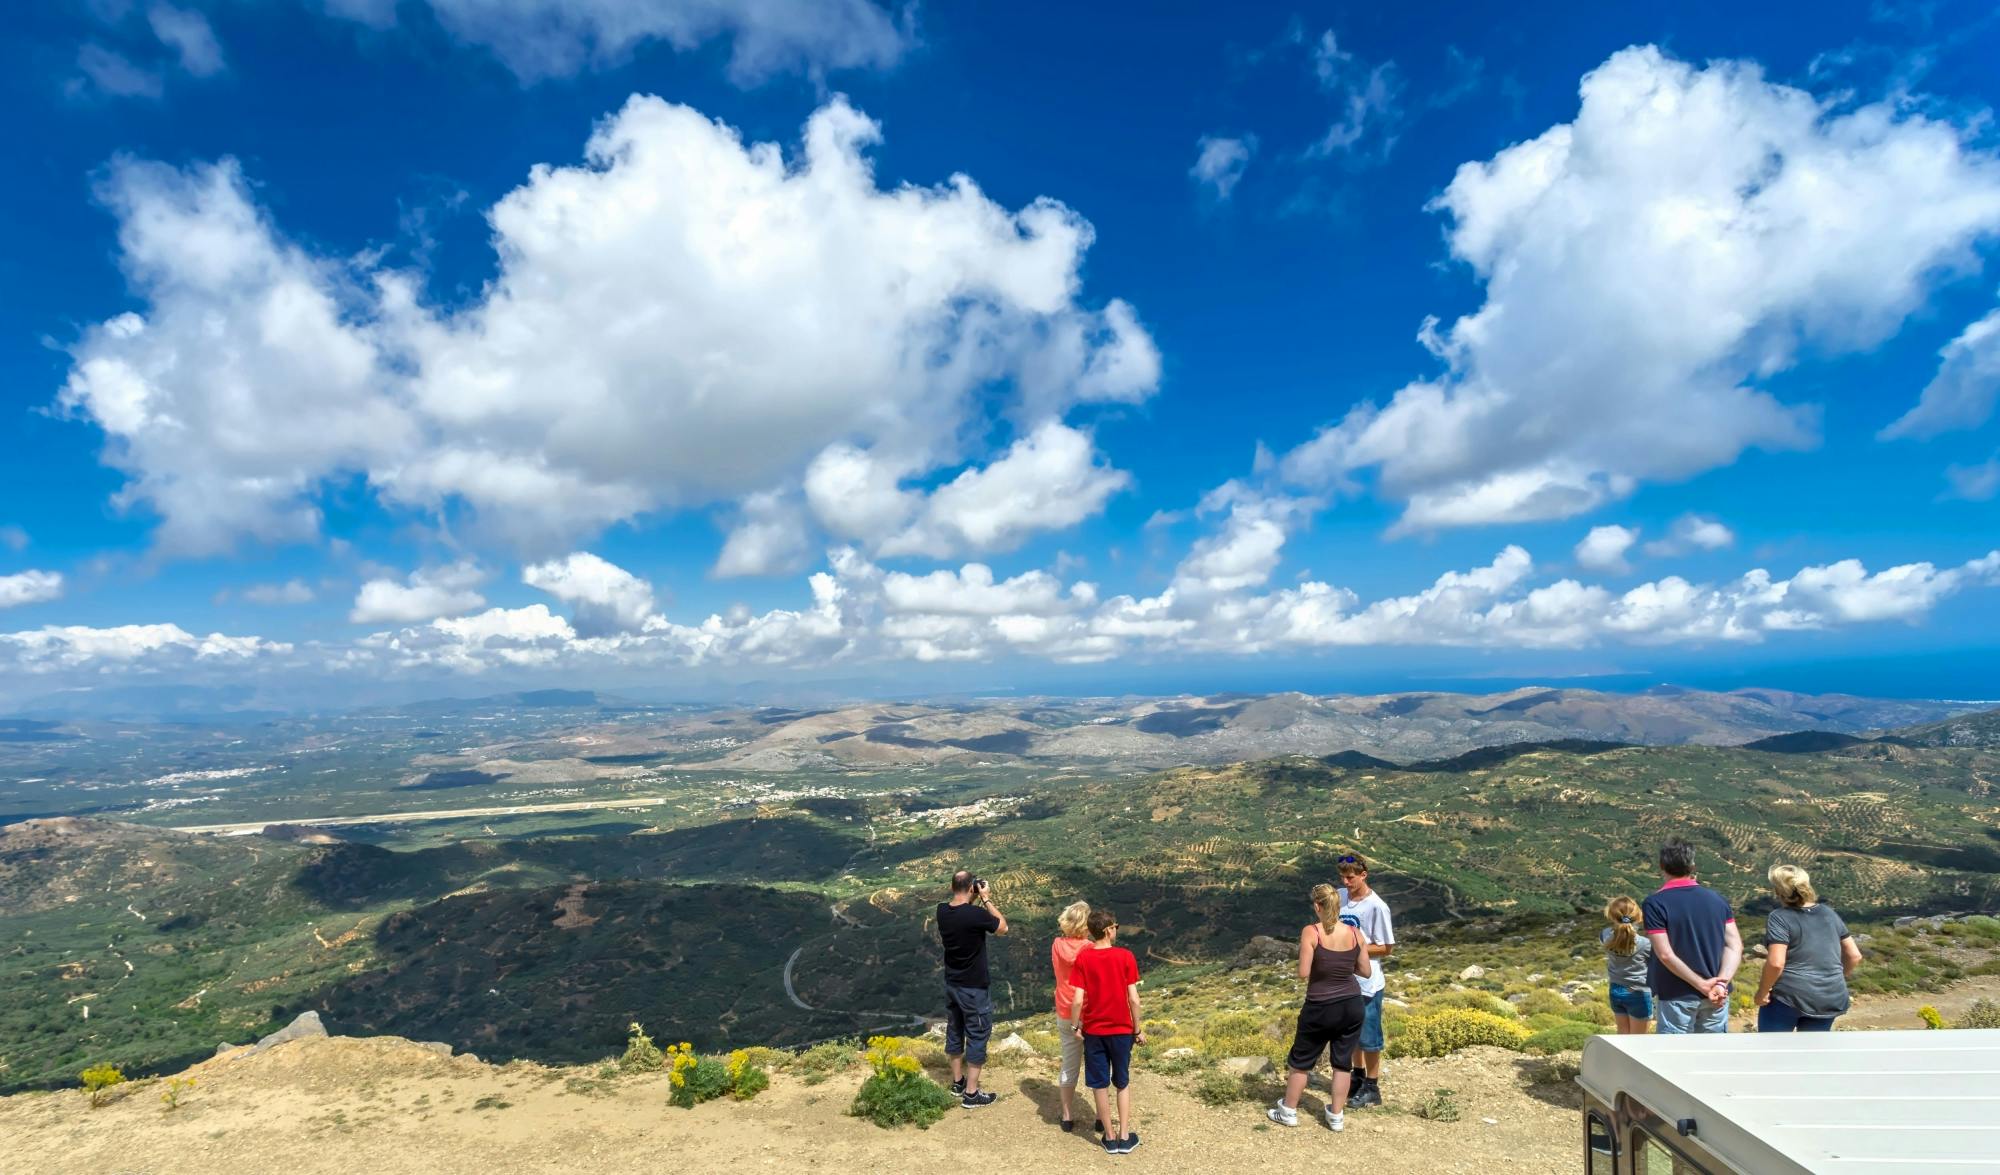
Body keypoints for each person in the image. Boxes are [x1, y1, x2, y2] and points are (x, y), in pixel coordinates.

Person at [1267, 882, 1371, 1133]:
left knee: (1301, 1061)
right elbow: (1366, 971)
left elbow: (1303, 973)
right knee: (1342, 1063)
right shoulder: (1356, 934)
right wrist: (1344, 966)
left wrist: (1321, 964)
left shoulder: (1311, 932)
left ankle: (1288, 1111)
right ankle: (1336, 1116)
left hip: (1320, 1006)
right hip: (1352, 1005)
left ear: (1317, 906)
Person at [1642, 839, 1741, 1035]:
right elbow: (1734, 945)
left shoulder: (1654, 904)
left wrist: (1702, 985)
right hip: (1717, 995)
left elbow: (1665, 955)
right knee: (1713, 1056)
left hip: (1676, 993)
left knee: (1675, 1057)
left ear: (1662, 866)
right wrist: (1721, 982)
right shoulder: (1718, 900)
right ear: (1692, 866)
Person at [1068, 907, 1145, 1155]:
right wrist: (1138, 1029)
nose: (1116, 931)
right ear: (1109, 930)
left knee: (1099, 1083)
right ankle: (1124, 1135)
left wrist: (1075, 1025)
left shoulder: (1084, 958)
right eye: (1116, 927)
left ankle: (1109, 1139)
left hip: (1094, 1031)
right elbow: (1134, 1000)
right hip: (1122, 1030)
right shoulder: (1125, 956)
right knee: (1122, 1082)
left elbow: (1077, 1000)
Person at [1755, 864, 1862, 1033]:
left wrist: (1762, 993)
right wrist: (1833, 978)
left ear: (1778, 890)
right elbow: (1855, 956)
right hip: (1828, 997)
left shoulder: (1779, 917)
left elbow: (1776, 963)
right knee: (1813, 1054)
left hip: (1789, 997)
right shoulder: (1828, 913)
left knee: (1773, 1052)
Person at [937, 869, 1008, 1107]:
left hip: (952, 984)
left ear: (952, 887)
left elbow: (961, 909)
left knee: (955, 1030)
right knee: (978, 1035)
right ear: (972, 888)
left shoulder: (942, 911)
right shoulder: (976, 914)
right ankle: (971, 1093)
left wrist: (971, 897)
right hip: (973, 988)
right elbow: (1002, 927)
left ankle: (957, 1082)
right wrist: (986, 897)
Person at [1335, 853, 1394, 1108]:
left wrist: (1353, 947)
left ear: (1363, 875)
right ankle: (1357, 1078)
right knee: (1351, 1034)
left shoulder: (1377, 906)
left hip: (1368, 983)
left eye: (1350, 878)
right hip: (1344, 981)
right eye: (1343, 877)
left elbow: (1386, 947)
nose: (1346, 882)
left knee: (1369, 1038)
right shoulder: (1340, 896)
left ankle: (1372, 1086)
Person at [1050, 900, 1092, 1132]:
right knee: (1097, 1063)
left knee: (1069, 1062)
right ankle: (1099, 1116)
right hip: (1090, 1011)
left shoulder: (1056, 944)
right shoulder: (1090, 948)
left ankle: (1067, 1116)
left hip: (1065, 1010)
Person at [1602, 896, 1654, 1034]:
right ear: (1637, 916)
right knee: (1638, 1041)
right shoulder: (1645, 943)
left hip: (1615, 989)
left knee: (1623, 1036)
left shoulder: (1605, 935)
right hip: (1638, 992)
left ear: (1611, 916)